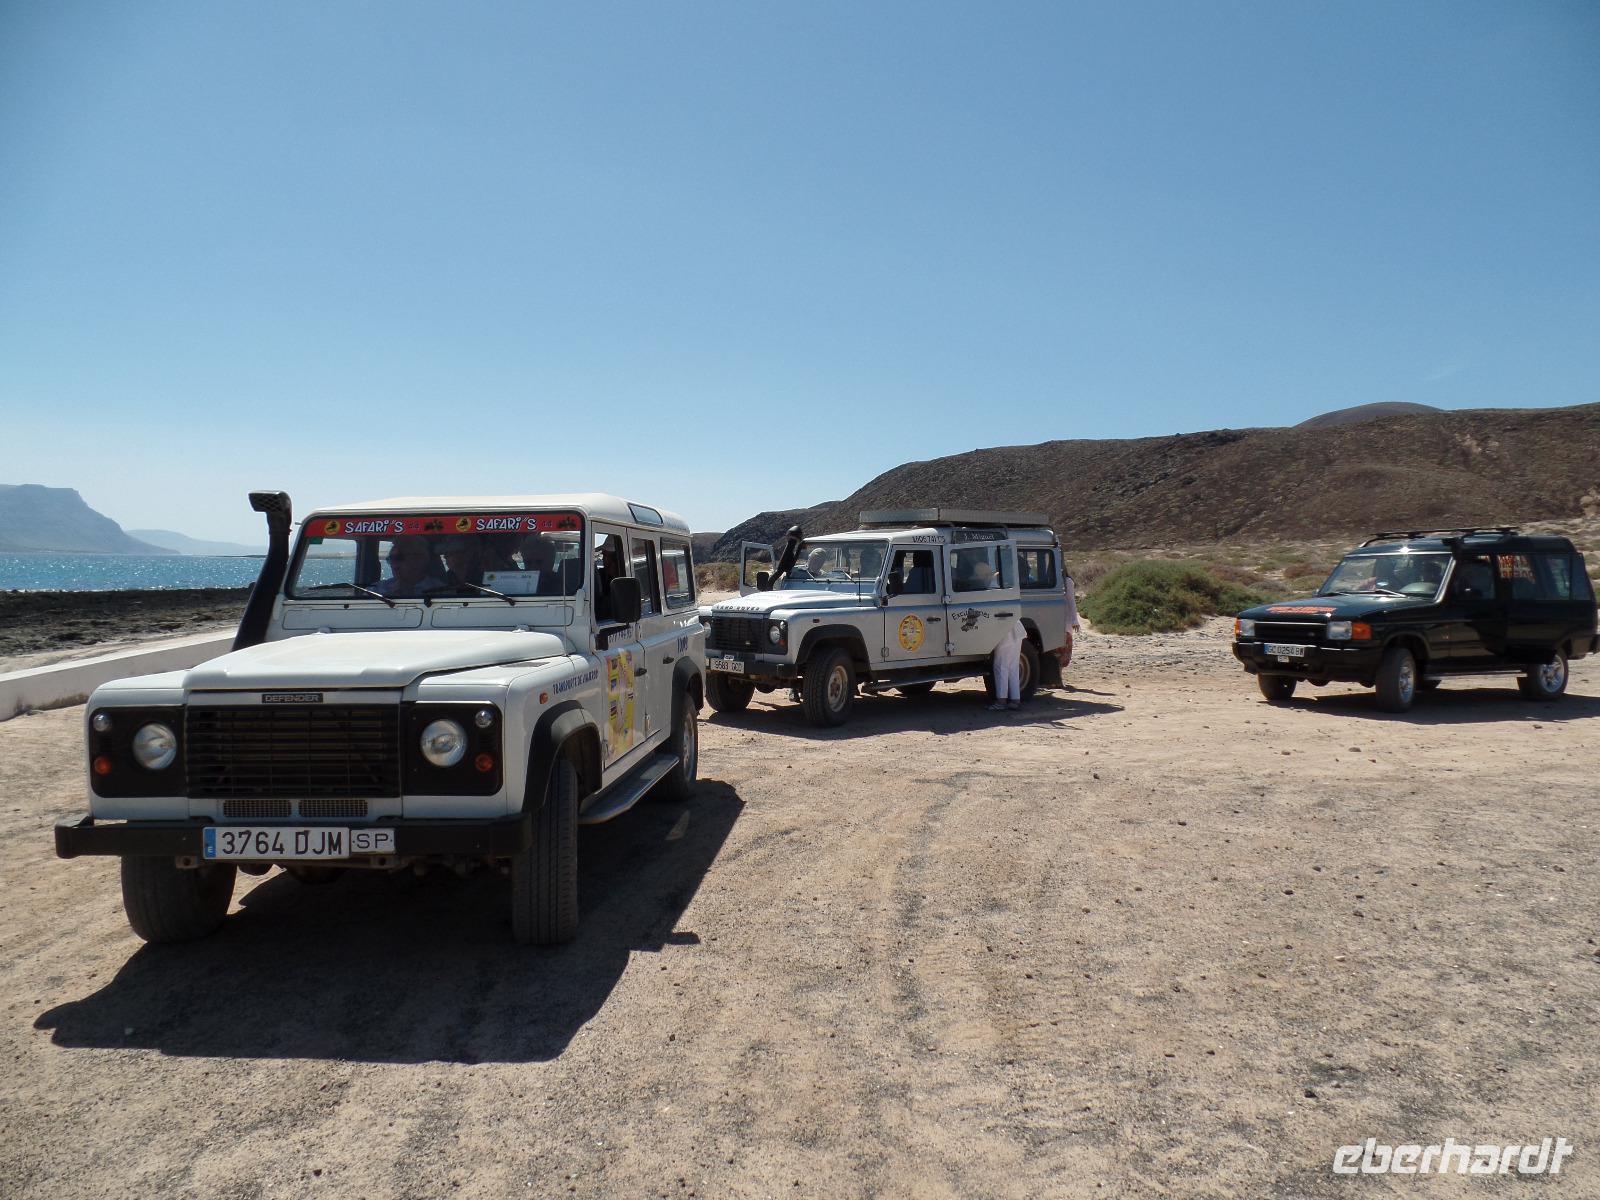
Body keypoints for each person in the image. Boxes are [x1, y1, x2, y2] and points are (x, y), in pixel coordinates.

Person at [373, 537, 444, 598]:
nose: (395, 565)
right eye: (391, 559)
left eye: (399, 558)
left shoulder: (441, 591)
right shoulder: (377, 590)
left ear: (420, 559)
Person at [988, 616, 1027, 712]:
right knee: (1013, 667)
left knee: (1001, 666)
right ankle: (1015, 700)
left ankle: (1001, 702)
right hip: (1016, 628)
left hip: (1005, 629)